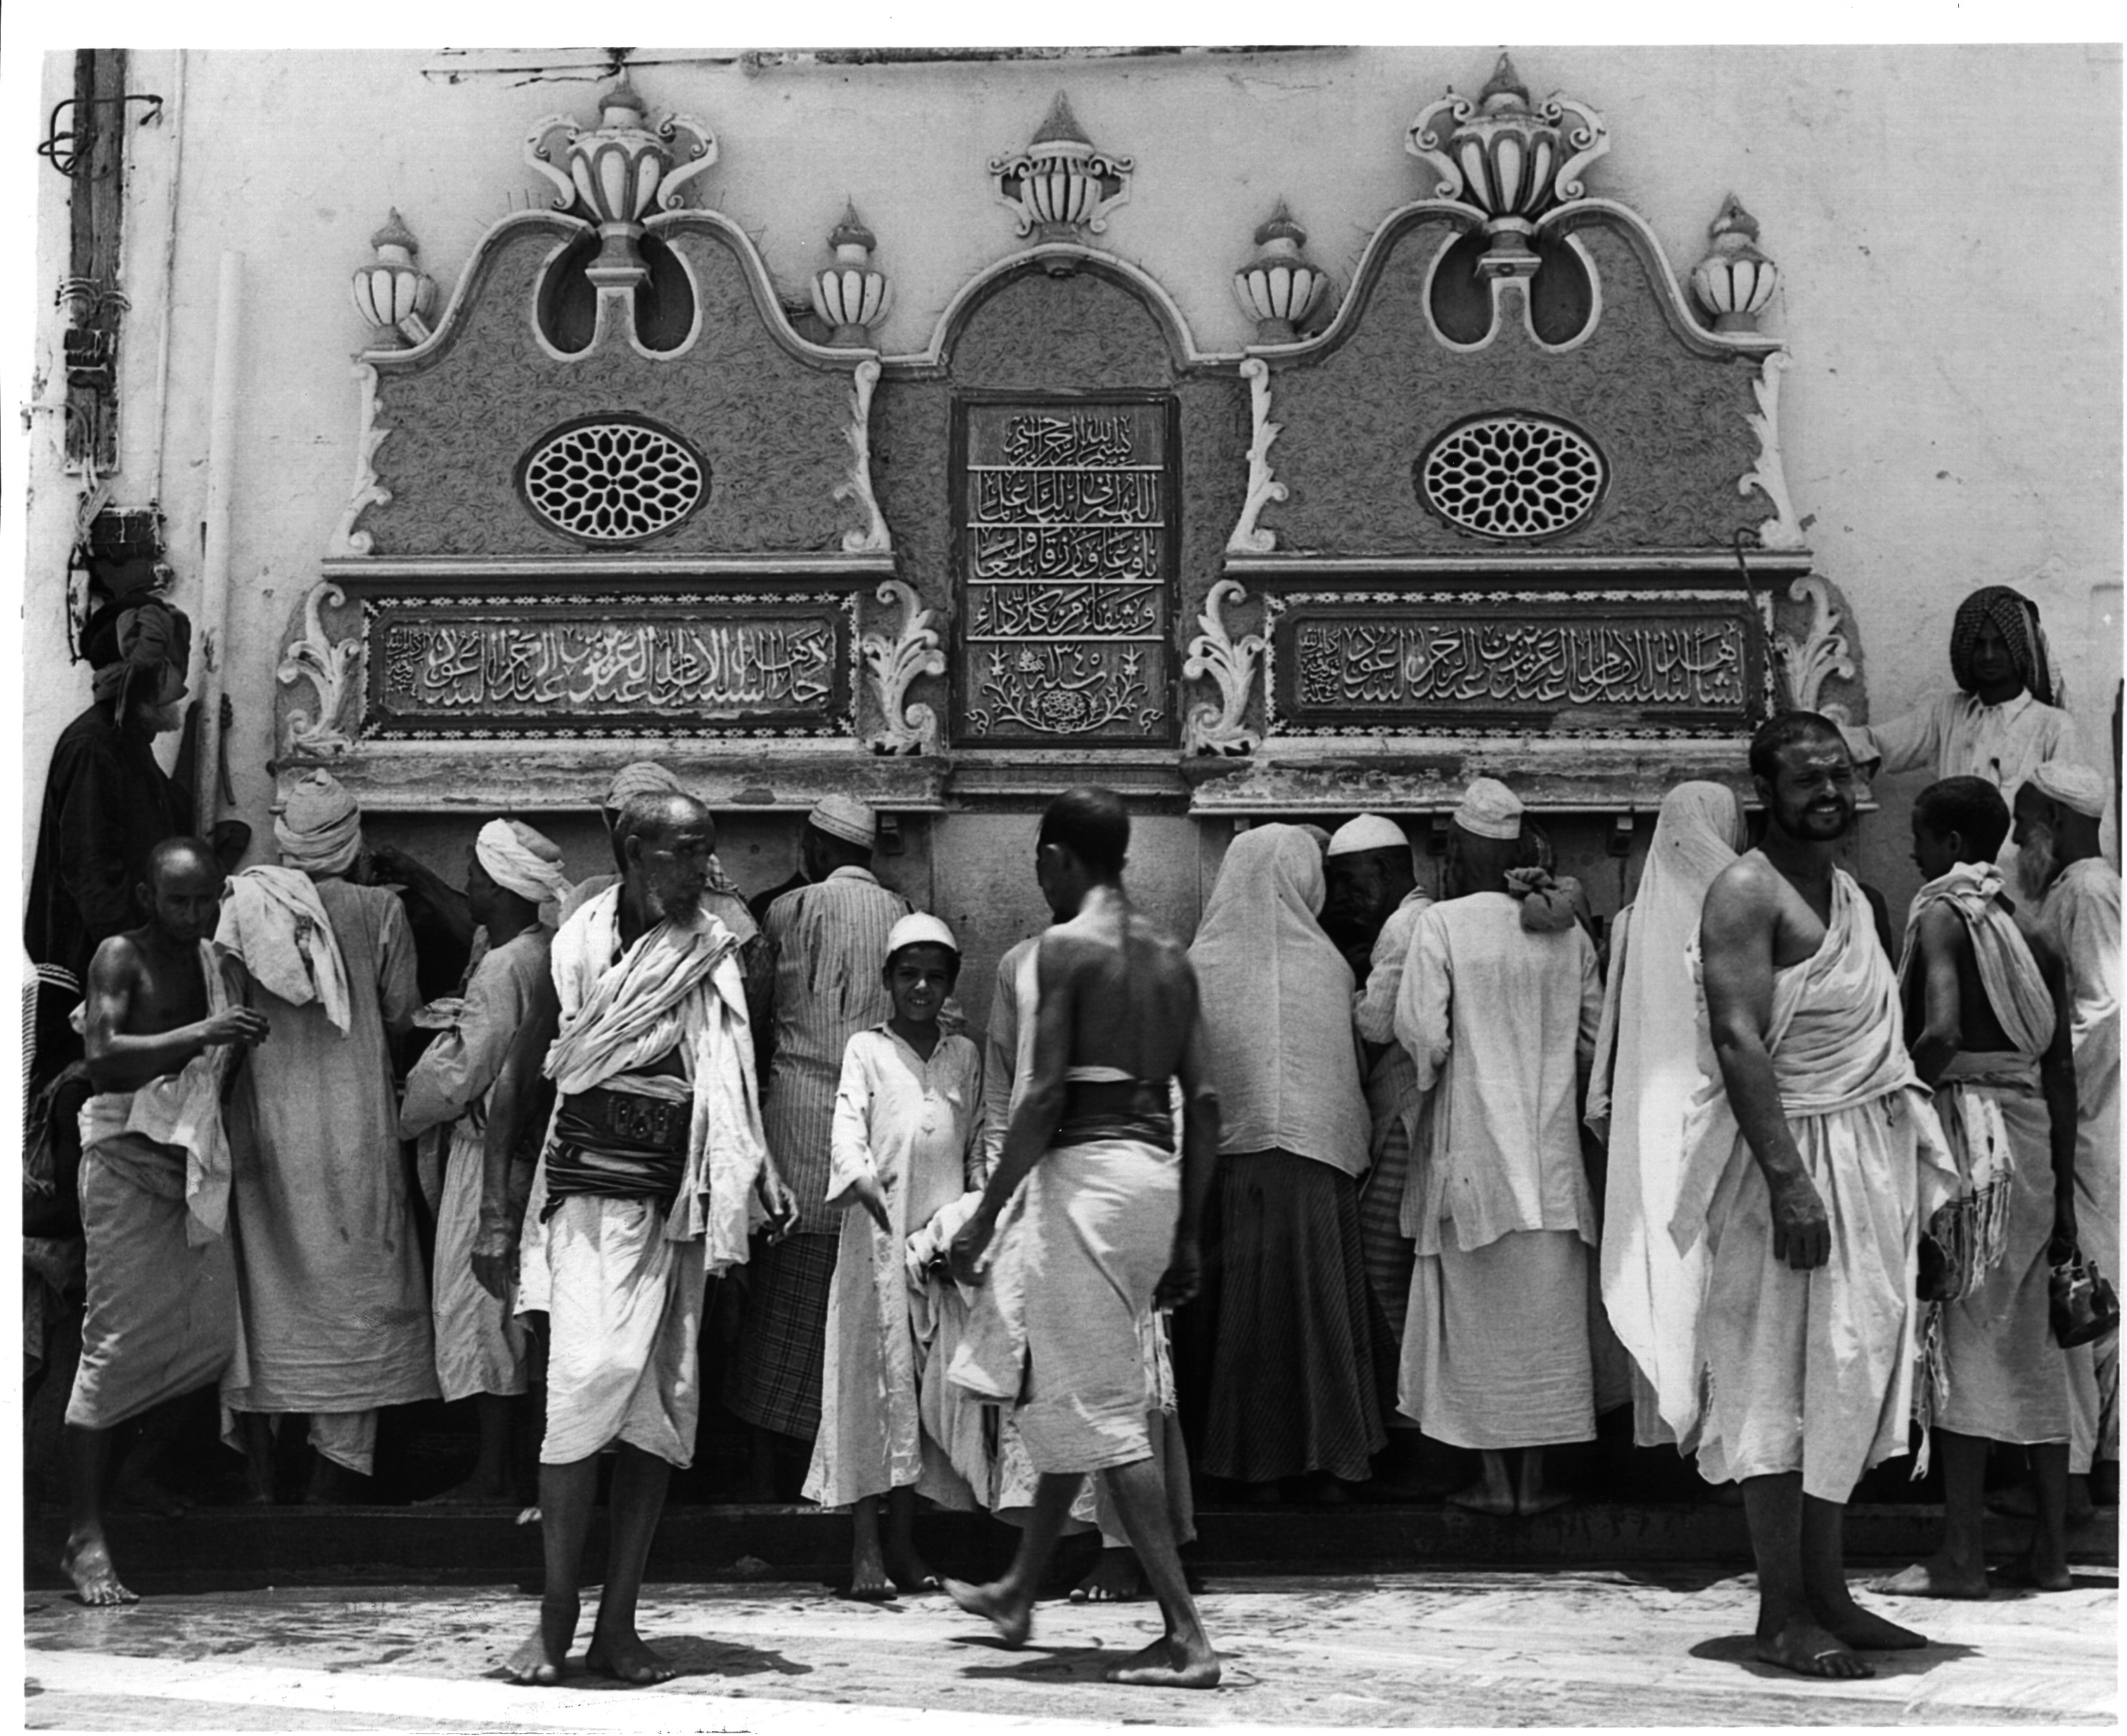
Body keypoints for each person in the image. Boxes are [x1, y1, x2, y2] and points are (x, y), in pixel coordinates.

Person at [475, 789, 793, 1686]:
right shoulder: (570, 948)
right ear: (631, 849)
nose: (699, 870)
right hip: (584, 1205)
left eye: (706, 852)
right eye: (680, 853)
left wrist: (750, 1176)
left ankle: (619, 1621)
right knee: (580, 1388)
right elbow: (526, 1078)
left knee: (658, 1408)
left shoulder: (716, 951)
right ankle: (554, 1612)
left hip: (676, 1209)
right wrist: (498, 1211)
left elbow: (733, 1083)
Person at [1678, 713, 1957, 1678]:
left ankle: (1831, 1592)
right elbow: (1738, 1042)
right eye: (1809, 781)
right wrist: (1790, 1184)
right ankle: (1781, 1611)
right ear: (1769, 793)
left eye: (1841, 776)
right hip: (1781, 1176)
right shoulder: (1744, 894)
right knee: (1772, 1385)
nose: (1831, 794)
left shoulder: (1857, 896)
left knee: (1843, 1377)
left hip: (1866, 1168)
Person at [940, 786, 1220, 1688]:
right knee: (1073, 1377)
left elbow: (1044, 1094)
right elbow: (1205, 1106)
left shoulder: (1063, 949)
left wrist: (986, 1214)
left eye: (1039, 860)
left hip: (1087, 1184)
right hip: (1151, 1183)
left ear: (1060, 858)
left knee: (1103, 1406)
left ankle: (1186, 1636)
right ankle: (1020, 1586)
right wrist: (1187, 1236)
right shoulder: (1173, 957)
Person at [1872, 778, 2078, 1598]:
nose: (1911, 853)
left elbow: (1943, 1029)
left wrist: (1890, 1097)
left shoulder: (1941, 916)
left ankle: (1961, 1555)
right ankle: (2052, 1552)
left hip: (1968, 1137)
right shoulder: (2034, 929)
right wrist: (2061, 1188)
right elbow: (2059, 1066)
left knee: (1957, 1340)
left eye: (1919, 838)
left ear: (1952, 843)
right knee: (2029, 1344)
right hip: (2029, 1142)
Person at [216, 772, 436, 1501]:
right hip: (355, 1131)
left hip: (266, 1127)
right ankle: (325, 1486)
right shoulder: (379, 910)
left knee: (265, 1288)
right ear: (352, 838)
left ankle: (255, 1480)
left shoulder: (244, 902)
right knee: (357, 1294)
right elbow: (404, 1014)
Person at [61, 837, 269, 1603]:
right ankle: (84, 1534)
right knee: (112, 1345)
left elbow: (218, 1080)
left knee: (210, 1340)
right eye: (179, 900)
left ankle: (135, 1476)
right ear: (150, 898)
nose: (194, 914)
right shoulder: (120, 955)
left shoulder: (223, 967)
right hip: (122, 1164)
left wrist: (226, 1050)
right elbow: (105, 1058)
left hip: (188, 1171)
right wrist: (203, 1036)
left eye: (206, 899)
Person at [1394, 778, 1604, 1516]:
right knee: (1546, 1325)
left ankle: (1492, 1481)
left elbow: (1423, 1035)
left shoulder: (1441, 925)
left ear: (1457, 851)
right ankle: (1537, 1483)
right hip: (1550, 1164)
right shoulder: (1568, 930)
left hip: (1474, 1157)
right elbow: (1592, 1041)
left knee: (1478, 1322)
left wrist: (1432, 1083)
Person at [979, 927, 1197, 1601]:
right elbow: (1005, 1098)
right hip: (1049, 1217)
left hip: (1111, 1227)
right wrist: (998, 1202)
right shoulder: (1022, 967)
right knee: (1062, 1397)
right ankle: (1021, 1587)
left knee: (1110, 1406)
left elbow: (1180, 1117)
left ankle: (1160, 1597)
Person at [1185, 824, 1383, 1501]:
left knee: (1246, 1325)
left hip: (1231, 1171)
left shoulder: (1200, 962)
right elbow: (1348, 1073)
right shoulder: (1328, 965)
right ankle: (1325, 1461)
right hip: (1314, 1169)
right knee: (1315, 1319)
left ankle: (1247, 1466)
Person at [726, 796, 911, 1493]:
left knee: (777, 1312)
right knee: (848, 1318)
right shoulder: (903, 915)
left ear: (815, 846)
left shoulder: (784, 912)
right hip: (869, 1126)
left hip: (797, 1127)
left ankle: (765, 1478)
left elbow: (759, 1018)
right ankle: (834, 1475)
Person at [804, 914, 984, 1597]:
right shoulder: (867, 1050)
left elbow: (976, 1147)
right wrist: (862, 1181)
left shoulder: (961, 1054)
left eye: (934, 976)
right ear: (887, 979)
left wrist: (970, 1219)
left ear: (949, 984)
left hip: (936, 1248)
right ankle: (865, 1547)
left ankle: (908, 1543)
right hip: (875, 1245)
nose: (920, 986)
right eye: (908, 973)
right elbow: (848, 1128)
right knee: (869, 1385)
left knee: (920, 1393)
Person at [397, 820, 570, 1504]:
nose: (464, 883)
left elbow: (464, 1070)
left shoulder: (504, 966)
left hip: (486, 1157)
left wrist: (406, 1103)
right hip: (525, 1158)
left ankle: (492, 1474)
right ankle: (516, 1470)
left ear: (499, 889)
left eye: (472, 873)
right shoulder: (534, 949)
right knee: (515, 1315)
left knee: (481, 1310)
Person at [1586, 782, 1746, 1449]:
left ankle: (1686, 1438)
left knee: (1673, 1270)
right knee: (1732, 1280)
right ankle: (1733, 1448)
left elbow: (1609, 1045)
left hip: (1657, 1131)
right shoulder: (1751, 906)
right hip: (1738, 1123)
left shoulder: (1632, 920)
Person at [25, 599, 196, 1090]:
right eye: (171, 676)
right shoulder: (93, 747)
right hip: (86, 976)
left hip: (114, 972)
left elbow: (165, 813)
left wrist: (205, 733)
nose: (179, 690)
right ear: (146, 682)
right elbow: (94, 878)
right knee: (82, 1121)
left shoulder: (126, 741)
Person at [2013, 760, 2121, 1512]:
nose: (2019, 839)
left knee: (2081, 1286)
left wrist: (2041, 1076)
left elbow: (2101, 1007)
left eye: (2025, 823)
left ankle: (2078, 1475)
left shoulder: (2086, 889)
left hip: (2088, 1122)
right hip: (2086, 1118)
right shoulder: (2073, 889)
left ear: (2055, 820)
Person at [1324, 814, 1434, 1471]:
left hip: (1405, 1118)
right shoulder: (1423, 920)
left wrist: (1348, 983)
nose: (1342, 902)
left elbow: (1375, 1023)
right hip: (1409, 1118)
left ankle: (1413, 1425)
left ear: (1390, 873)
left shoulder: (1403, 925)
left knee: (1379, 1268)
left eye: (1351, 884)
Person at [1849, 586, 2088, 874]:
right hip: (1955, 887)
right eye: (1978, 644)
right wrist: (1821, 739)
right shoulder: (1947, 714)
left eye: (2000, 643)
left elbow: (2070, 821)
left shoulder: (2054, 726)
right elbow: (1877, 744)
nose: (1988, 655)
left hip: (2025, 892)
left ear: (2018, 648)